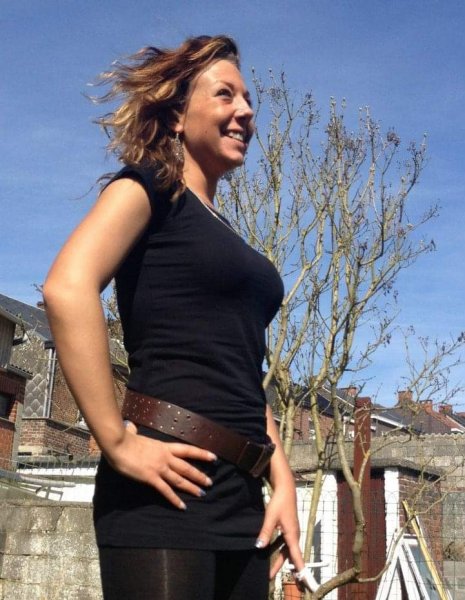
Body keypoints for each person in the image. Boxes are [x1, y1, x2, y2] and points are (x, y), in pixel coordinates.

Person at [43, 35, 304, 600]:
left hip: (243, 497)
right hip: (165, 488)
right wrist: (115, 440)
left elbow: (240, 370)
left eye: (249, 99)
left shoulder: (222, 229)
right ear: (179, 116)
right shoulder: (151, 187)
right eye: (225, 94)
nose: (246, 111)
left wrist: (282, 479)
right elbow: (67, 288)